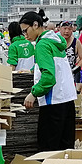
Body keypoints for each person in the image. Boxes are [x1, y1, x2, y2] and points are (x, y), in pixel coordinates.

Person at [23, 12, 76, 150]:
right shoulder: (56, 41)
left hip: (53, 102)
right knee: (66, 147)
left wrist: (33, 93)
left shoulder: (42, 45)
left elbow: (49, 77)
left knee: (48, 148)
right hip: (67, 99)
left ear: (35, 25)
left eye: (25, 30)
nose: (24, 35)